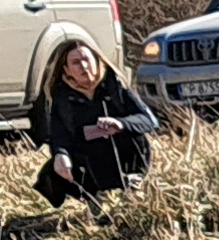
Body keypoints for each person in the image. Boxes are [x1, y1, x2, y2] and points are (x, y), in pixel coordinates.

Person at [33, 38, 158, 207]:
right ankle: (92, 197)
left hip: (125, 155)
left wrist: (120, 124)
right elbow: (59, 134)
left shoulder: (115, 84)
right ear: (66, 70)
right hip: (91, 162)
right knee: (53, 172)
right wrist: (60, 155)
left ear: (96, 60)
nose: (84, 66)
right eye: (76, 62)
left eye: (87, 60)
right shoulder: (61, 96)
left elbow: (148, 120)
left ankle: (132, 184)